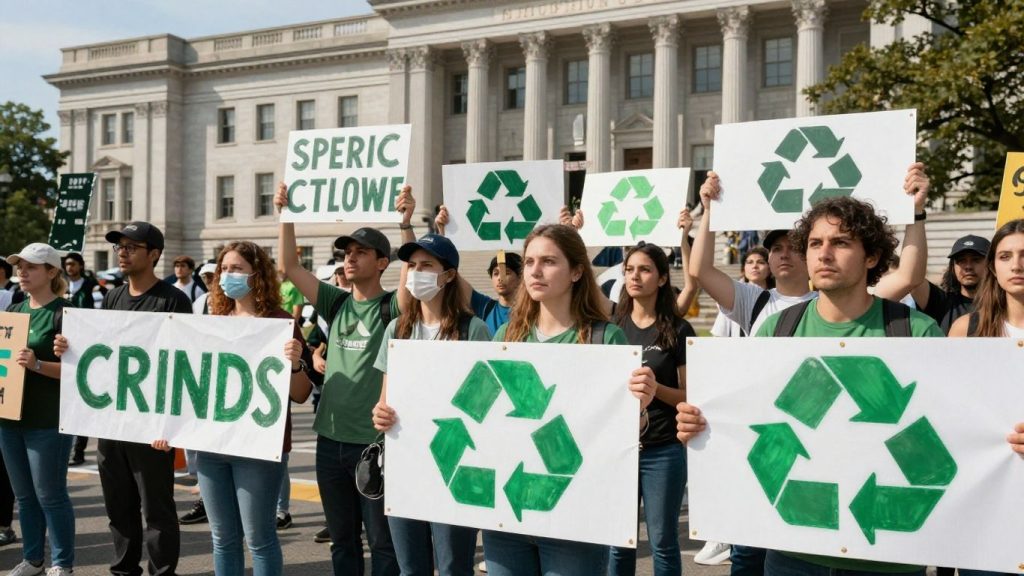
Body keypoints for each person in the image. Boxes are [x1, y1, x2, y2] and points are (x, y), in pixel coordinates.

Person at [677, 196, 943, 576]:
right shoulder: (776, 331)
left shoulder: (916, 333)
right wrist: (702, 426)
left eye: (841, 242)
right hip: (792, 556)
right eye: (815, 243)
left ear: (871, 257)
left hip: (888, 560)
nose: (824, 254)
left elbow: (949, 437)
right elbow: (750, 424)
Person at [484, 224, 655, 576]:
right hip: (508, 516)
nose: (535, 271)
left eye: (548, 261)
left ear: (577, 271)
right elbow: (481, 418)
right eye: (529, 262)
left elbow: (621, 434)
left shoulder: (605, 339)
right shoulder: (506, 337)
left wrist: (639, 407)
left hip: (575, 518)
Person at [274, 181, 416, 575]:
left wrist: (406, 225)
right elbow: (290, 267)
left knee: (383, 544)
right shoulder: (336, 302)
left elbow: (410, 284)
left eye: (361, 252)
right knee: (342, 540)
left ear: (383, 262)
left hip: (373, 444)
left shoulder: (391, 306)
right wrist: (286, 215)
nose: (350, 259)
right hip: (329, 441)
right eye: (347, 253)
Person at [155, 241, 314, 576]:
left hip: (258, 449)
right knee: (223, 538)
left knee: (259, 539)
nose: (228, 275)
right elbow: (189, 383)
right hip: (212, 448)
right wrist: (169, 428)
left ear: (258, 274)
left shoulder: (280, 322)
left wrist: (295, 363)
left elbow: (301, 394)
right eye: (224, 269)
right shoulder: (212, 322)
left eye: (237, 268)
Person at [55, 221, 190, 576]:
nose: (123, 253)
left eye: (132, 247)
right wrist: (71, 347)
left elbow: (182, 363)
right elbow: (104, 350)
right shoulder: (114, 297)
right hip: (113, 421)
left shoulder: (173, 300)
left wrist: (169, 426)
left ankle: (162, 571)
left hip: (150, 425)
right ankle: (124, 570)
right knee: (119, 506)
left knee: (157, 509)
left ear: (154, 254)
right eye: (120, 247)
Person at [371, 233, 491, 576]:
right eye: (412, 266)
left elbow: (483, 406)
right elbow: (384, 399)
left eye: (427, 265)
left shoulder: (473, 330)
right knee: (411, 568)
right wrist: (380, 414)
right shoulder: (397, 328)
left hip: (456, 465)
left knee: (453, 567)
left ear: (449, 275)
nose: (416, 273)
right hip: (406, 462)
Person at [607, 242, 695, 576]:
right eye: (629, 269)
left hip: (663, 451)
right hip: (619, 450)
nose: (635, 276)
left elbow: (690, 396)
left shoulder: (679, 329)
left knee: (663, 542)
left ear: (661, 278)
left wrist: (655, 389)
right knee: (619, 543)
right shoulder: (612, 326)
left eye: (644, 269)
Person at [946, 219, 1024, 576]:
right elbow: (947, 414)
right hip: (987, 509)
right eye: (1006, 256)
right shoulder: (967, 330)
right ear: (993, 266)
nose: (1017, 264)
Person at [1, 244, 75, 576]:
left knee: (51, 496)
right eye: (20, 266)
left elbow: (80, 372)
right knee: (25, 497)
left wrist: (39, 364)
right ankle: (33, 561)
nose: (22, 271)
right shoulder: (13, 310)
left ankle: (62, 564)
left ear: (52, 271)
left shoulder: (67, 313)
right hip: (9, 419)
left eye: (31, 266)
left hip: (47, 421)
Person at [434, 204, 522, 335]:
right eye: (495, 273)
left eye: (507, 272)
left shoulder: (534, 311)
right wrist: (441, 232)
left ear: (521, 278)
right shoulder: (485, 307)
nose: (500, 278)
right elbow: (451, 273)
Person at [911, 234, 990, 334]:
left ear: (991, 265)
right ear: (953, 267)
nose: (968, 266)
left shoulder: (1003, 305)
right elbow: (912, 277)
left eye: (976, 260)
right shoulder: (941, 303)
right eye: (961, 261)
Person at [64, 252, 100, 467]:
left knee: (83, 400)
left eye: (73, 264)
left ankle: (78, 450)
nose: (69, 267)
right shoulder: (60, 285)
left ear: (80, 265)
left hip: (87, 348)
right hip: (65, 347)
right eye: (66, 264)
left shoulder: (93, 287)